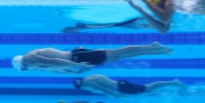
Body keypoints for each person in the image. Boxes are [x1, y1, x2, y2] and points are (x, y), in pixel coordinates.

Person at [11, 41, 172, 73]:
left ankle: (153, 47)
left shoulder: (32, 59)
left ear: (23, 64)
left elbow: (55, 61)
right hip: (77, 59)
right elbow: (58, 67)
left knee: (119, 53)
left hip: (77, 58)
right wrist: (74, 71)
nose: (28, 70)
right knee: (119, 56)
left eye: (24, 69)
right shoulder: (34, 62)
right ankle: (153, 49)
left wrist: (79, 66)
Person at [73, 74, 186, 97]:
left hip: (121, 87)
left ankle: (173, 83)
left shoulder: (87, 82)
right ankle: (170, 86)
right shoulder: (92, 76)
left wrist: (116, 95)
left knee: (148, 88)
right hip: (121, 84)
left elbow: (103, 89)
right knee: (147, 89)